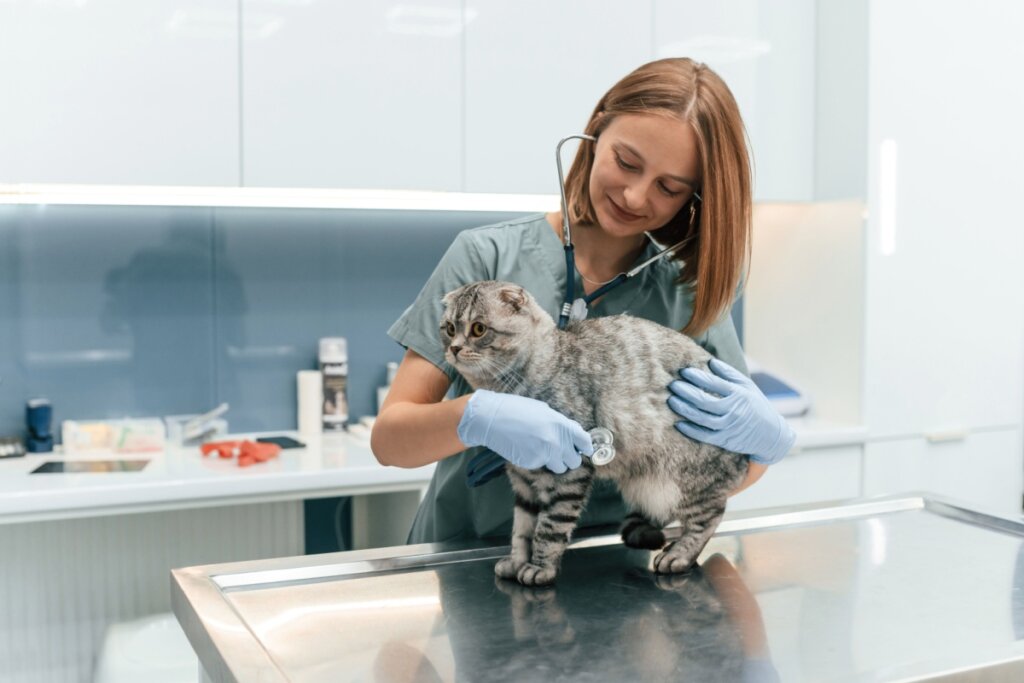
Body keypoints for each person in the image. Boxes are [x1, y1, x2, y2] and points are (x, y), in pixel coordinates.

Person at [371, 57, 796, 545]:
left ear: (692, 198)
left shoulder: (687, 291)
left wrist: (765, 446)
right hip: (464, 558)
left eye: (669, 187)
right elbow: (390, 442)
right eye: (627, 162)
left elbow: (724, 466)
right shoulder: (487, 256)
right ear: (594, 134)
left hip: (613, 565)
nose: (635, 196)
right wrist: (476, 416)